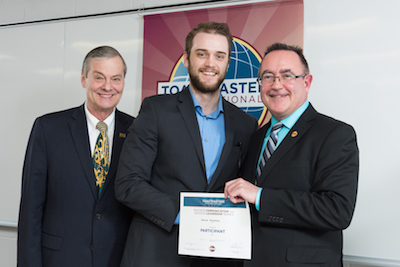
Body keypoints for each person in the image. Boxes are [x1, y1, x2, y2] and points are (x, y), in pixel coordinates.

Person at [115, 22, 258, 267]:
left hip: (217, 257)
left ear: (228, 63)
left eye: (219, 56)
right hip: (156, 251)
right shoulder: (156, 110)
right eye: (201, 54)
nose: (210, 63)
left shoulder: (245, 124)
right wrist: (188, 216)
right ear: (186, 59)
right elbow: (128, 184)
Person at [224, 43, 359, 266]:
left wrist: (260, 196)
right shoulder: (256, 138)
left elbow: (337, 210)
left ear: (306, 83)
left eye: (287, 75)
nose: (276, 85)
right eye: (267, 77)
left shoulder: (335, 134)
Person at [18, 46, 134, 267]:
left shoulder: (137, 131)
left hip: (117, 260)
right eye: (99, 77)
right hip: (60, 259)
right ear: (84, 79)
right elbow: (31, 209)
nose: (108, 87)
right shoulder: (48, 129)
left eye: (116, 79)